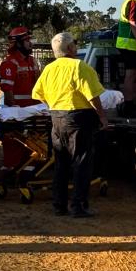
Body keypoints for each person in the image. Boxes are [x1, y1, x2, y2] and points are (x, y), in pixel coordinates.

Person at [31, 32, 108, 217]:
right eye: (74, 43)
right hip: (78, 118)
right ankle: (79, 206)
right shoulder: (79, 66)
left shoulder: (49, 69)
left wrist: (54, 106)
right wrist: (102, 117)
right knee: (81, 163)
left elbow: (38, 92)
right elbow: (93, 96)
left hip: (56, 118)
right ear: (70, 48)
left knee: (61, 163)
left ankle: (59, 205)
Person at [0, 27, 40, 174]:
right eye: (27, 41)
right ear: (18, 43)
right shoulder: (10, 63)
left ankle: (26, 173)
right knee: (14, 142)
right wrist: (15, 112)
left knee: (32, 143)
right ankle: (8, 173)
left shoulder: (32, 61)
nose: (30, 43)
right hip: (18, 113)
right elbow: (8, 92)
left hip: (32, 112)